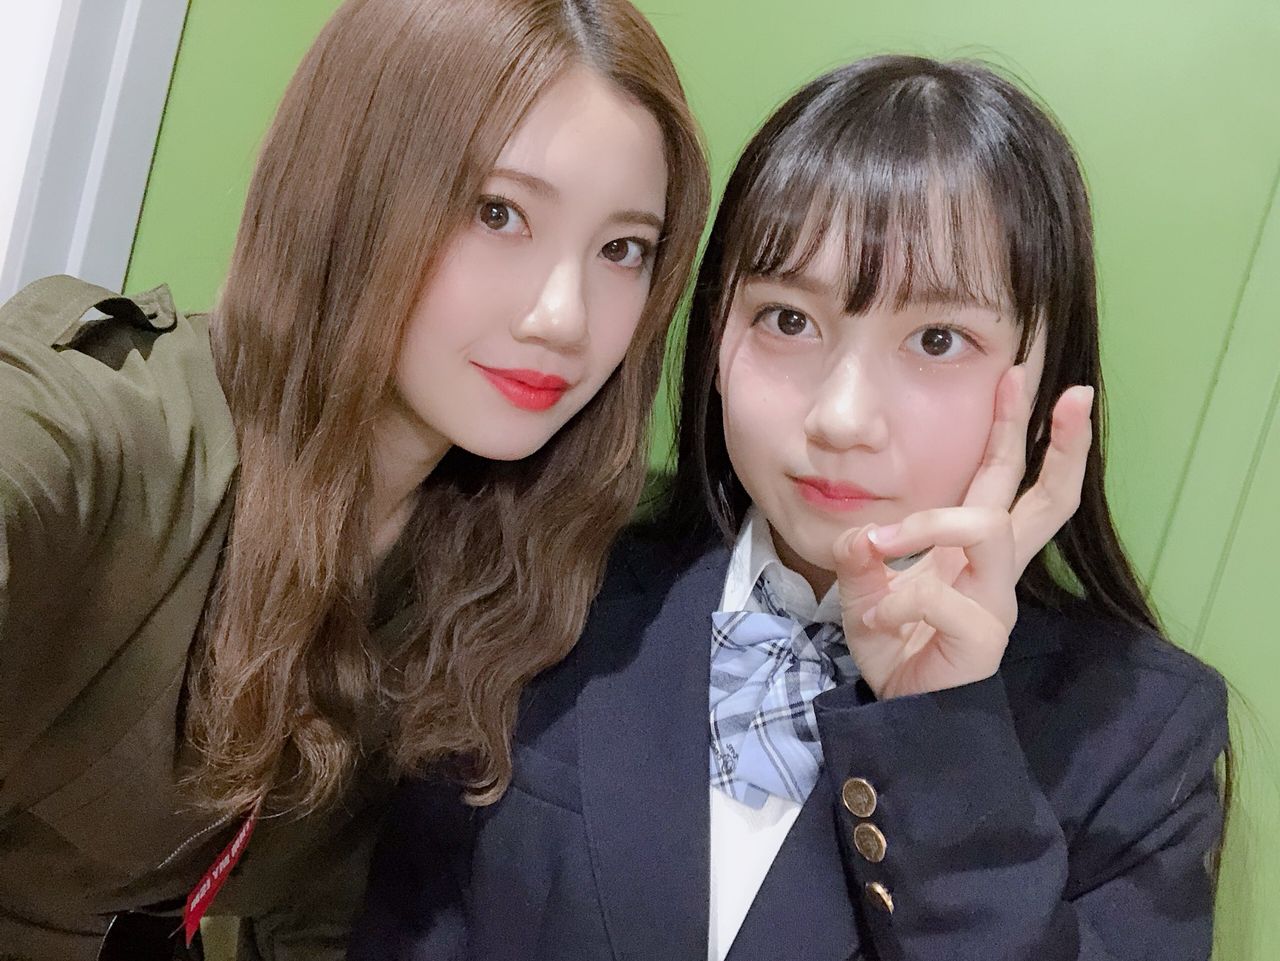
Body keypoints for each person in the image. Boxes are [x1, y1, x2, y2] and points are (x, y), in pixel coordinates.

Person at [351, 55, 1229, 961]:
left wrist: (943, 735)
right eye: (788, 319)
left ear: (1043, 383)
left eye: (937, 339)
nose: (841, 417)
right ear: (716, 333)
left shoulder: (1139, 734)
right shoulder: (546, 575)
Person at [0, 0, 709, 957]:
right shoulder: (105, 436)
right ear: (352, 192)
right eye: (498, 213)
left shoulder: (488, 562)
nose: (563, 316)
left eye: (622, 249)